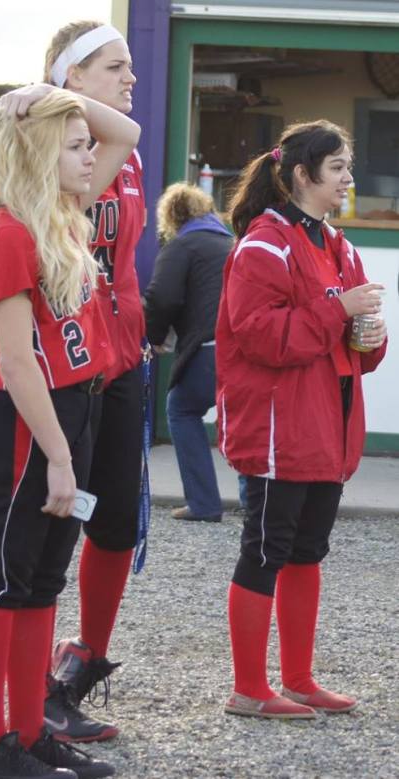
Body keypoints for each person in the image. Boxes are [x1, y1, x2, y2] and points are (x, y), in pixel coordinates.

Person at [0, 86, 139, 778]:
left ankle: (30, 733)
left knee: (41, 582)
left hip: (76, 409)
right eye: (74, 146)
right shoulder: (8, 232)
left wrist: (60, 99)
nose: (93, 154)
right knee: (1, 581)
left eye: (86, 145)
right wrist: (60, 456)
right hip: (34, 423)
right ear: (36, 156)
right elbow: (17, 358)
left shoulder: (63, 211)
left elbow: (128, 129)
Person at [0, 20, 146, 743]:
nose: (130, 77)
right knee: (55, 526)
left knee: (117, 518)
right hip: (69, 360)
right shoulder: (46, 142)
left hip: (124, 352)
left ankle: (80, 662)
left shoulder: (123, 152)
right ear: (72, 75)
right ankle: (35, 695)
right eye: (115, 67)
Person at [215, 119, 387, 719]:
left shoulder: (337, 244)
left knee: (308, 551)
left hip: (324, 426)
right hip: (277, 429)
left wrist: (369, 336)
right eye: (337, 167)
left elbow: (354, 349)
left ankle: (298, 679)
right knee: (265, 550)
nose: (348, 178)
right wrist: (338, 309)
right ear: (300, 175)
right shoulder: (265, 243)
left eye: (348, 166)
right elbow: (260, 337)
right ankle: (248, 688)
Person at [143, 182, 232, 522]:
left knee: (180, 409)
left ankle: (204, 503)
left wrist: (153, 338)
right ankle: (257, 506)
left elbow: (162, 297)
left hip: (210, 348)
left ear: (172, 217)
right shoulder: (230, 243)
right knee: (239, 422)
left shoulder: (181, 245)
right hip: (244, 350)